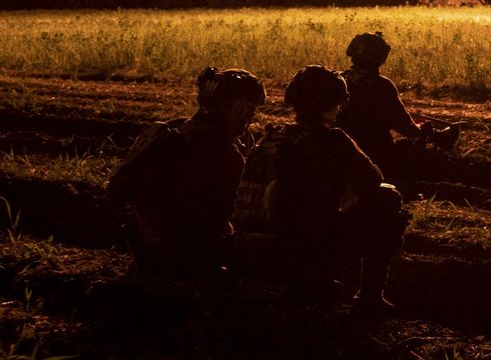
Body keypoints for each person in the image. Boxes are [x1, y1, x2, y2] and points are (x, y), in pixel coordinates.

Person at [272, 65, 408, 315]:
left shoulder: (275, 136)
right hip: (314, 246)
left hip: (272, 243)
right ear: (333, 103)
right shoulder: (334, 140)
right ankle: (370, 296)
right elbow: (372, 180)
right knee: (388, 199)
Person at [108, 67, 264, 278]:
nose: (251, 116)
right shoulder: (223, 153)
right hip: (185, 254)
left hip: (143, 246)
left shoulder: (170, 130)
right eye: (249, 109)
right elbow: (234, 212)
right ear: (235, 108)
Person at [337, 31, 458, 180]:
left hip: (339, 151)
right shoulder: (381, 85)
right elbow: (408, 129)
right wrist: (431, 133)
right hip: (373, 156)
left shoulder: (338, 80)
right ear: (380, 59)